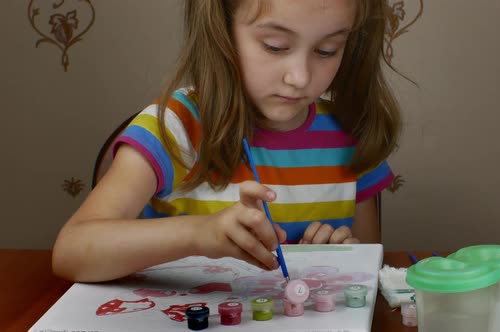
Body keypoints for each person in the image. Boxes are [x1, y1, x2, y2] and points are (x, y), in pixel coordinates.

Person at [52, 0, 401, 283]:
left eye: (327, 50)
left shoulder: (350, 136)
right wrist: (200, 234)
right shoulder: (174, 129)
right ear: (222, 31)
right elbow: (72, 252)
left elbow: (368, 264)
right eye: (275, 46)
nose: (300, 77)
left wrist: (340, 255)